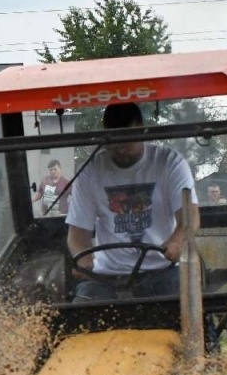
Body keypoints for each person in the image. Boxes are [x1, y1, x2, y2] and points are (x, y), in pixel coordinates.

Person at [66, 102, 196, 302]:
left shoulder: (169, 163)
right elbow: (78, 231)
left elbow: (190, 216)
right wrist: (83, 258)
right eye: (114, 142)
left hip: (162, 270)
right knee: (80, 313)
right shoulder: (90, 171)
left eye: (126, 141)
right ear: (105, 134)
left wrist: (177, 241)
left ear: (140, 130)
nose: (121, 149)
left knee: (187, 306)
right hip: (106, 276)